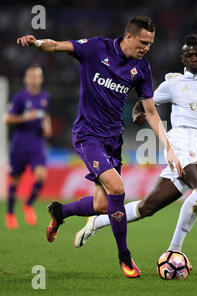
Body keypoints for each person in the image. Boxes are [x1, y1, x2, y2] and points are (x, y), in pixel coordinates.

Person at [16, 16, 182, 278]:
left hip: (112, 139)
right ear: (129, 36)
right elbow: (57, 46)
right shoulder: (96, 49)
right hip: (87, 135)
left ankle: (60, 212)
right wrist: (37, 43)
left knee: (103, 204)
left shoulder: (143, 69)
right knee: (118, 189)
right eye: (143, 42)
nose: (147, 47)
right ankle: (125, 257)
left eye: (150, 43)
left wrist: (168, 147)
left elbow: (150, 111)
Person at [73, 34, 197, 262]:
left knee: (146, 208)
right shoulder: (174, 83)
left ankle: (97, 222)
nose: (194, 58)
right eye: (189, 55)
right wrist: (137, 114)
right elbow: (143, 104)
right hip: (182, 141)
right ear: (183, 59)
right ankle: (174, 250)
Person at [3, 66, 52, 229]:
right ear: (25, 79)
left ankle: (28, 204)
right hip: (20, 142)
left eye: (37, 76)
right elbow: (7, 119)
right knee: (15, 179)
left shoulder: (45, 97)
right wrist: (26, 117)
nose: (34, 79)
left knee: (41, 176)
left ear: (41, 79)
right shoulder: (19, 98)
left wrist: (47, 126)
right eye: (30, 76)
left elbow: (45, 115)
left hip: (37, 142)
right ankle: (10, 213)